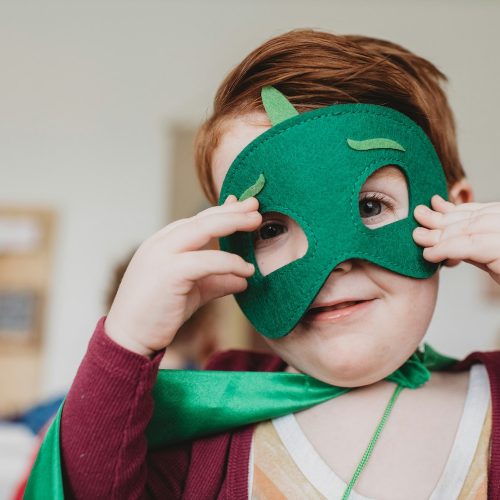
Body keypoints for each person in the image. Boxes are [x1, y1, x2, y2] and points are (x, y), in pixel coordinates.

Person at [25, 29, 500, 499]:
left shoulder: (491, 399)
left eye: (371, 206)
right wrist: (125, 344)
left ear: (456, 212)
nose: (331, 266)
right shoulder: (203, 427)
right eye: (270, 230)